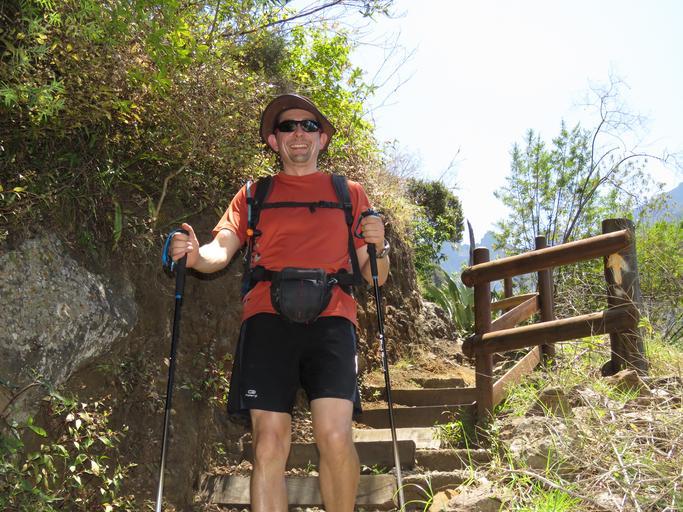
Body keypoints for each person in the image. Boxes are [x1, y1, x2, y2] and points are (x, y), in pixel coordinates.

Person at [170, 93, 390, 512]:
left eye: (309, 126)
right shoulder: (254, 194)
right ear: (274, 141)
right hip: (267, 320)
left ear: (322, 138)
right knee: (268, 444)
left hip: (333, 320)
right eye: (287, 126)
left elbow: (374, 273)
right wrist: (194, 257)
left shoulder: (350, 194)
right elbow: (222, 249)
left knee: (335, 436)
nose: (298, 133)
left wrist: (381, 246)